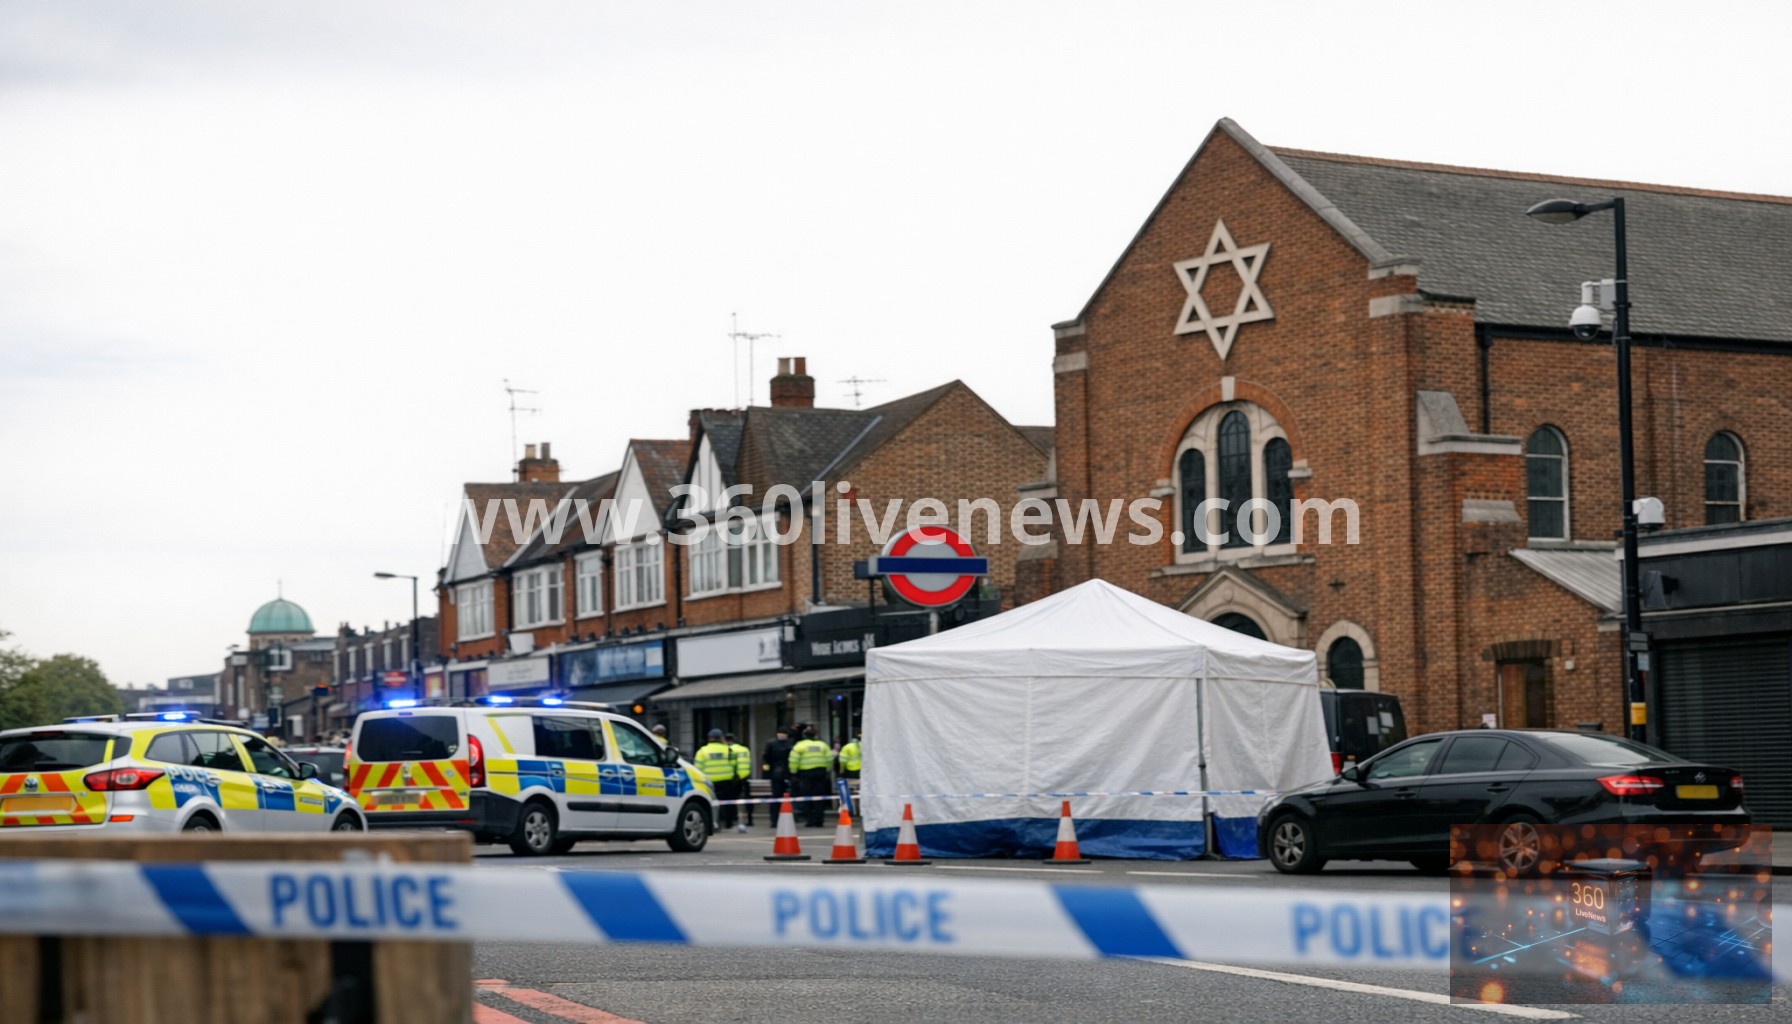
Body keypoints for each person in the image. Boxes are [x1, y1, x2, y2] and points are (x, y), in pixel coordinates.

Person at [694, 729, 741, 831]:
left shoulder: (702, 751)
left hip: (710, 782)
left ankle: (715, 823)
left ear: (709, 738)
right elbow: (734, 766)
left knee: (713, 803)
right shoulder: (729, 750)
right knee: (728, 803)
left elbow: (697, 768)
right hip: (726, 781)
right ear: (721, 738)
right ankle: (729, 823)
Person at [787, 725, 833, 828]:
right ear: (815, 735)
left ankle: (810, 821)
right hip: (820, 773)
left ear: (804, 736)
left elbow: (793, 760)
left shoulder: (800, 745)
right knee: (819, 797)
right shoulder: (823, 745)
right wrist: (827, 770)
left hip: (805, 774)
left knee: (807, 797)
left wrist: (793, 773)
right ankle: (819, 821)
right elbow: (829, 759)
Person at [760, 726, 795, 828]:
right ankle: (775, 820)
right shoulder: (773, 744)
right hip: (778, 775)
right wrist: (766, 773)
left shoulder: (788, 745)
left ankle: (781, 819)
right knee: (777, 798)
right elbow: (765, 760)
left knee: (782, 798)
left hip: (782, 774)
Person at [725, 731, 753, 831]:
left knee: (732, 799)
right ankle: (750, 819)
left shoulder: (728, 749)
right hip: (745, 776)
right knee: (748, 799)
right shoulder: (744, 749)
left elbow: (731, 764)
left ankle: (733, 818)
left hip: (735, 778)